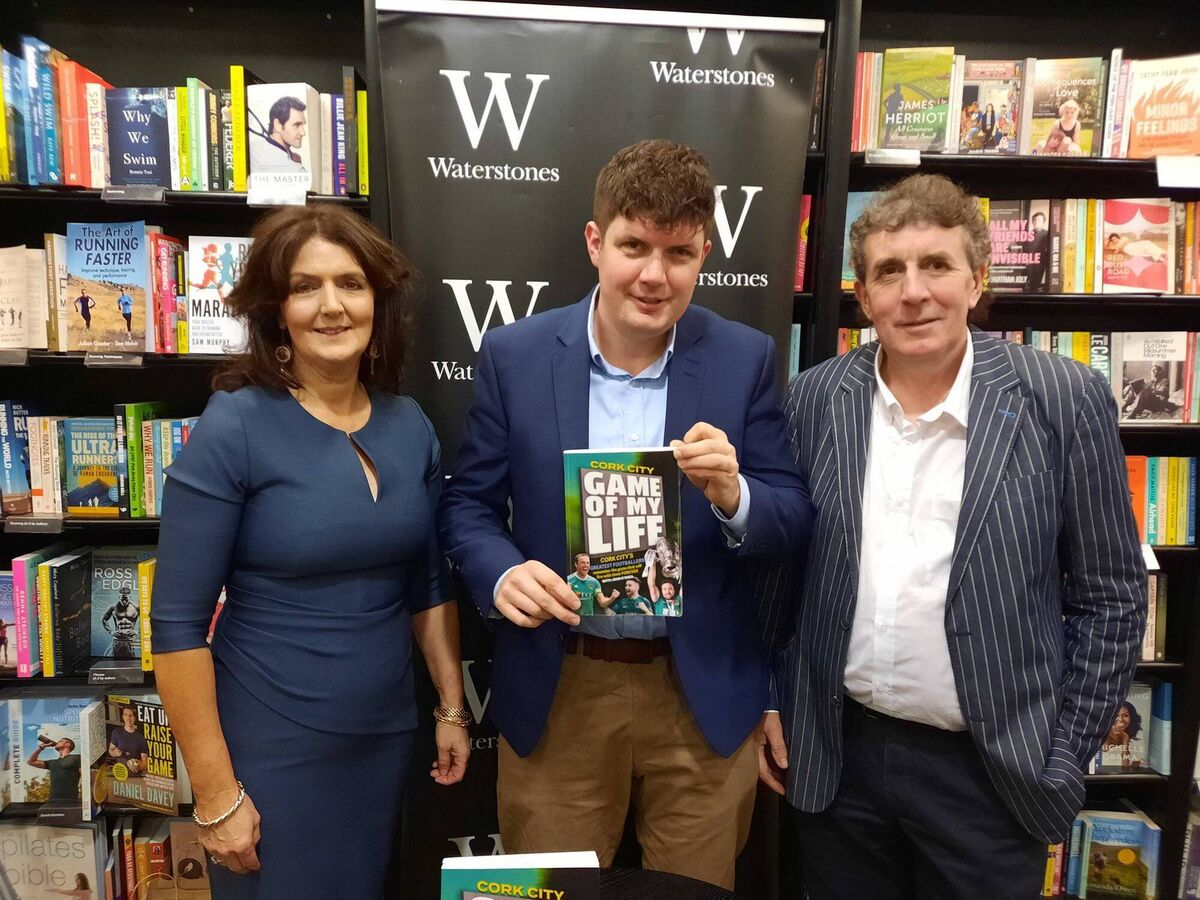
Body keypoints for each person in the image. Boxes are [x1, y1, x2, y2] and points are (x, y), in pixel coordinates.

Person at [438, 139, 813, 890]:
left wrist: (736, 496)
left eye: (678, 252)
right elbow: (465, 505)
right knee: (544, 890)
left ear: (705, 250)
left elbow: (793, 517)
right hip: (562, 682)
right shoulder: (514, 354)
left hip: (700, 689)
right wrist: (501, 571)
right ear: (594, 241)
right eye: (633, 245)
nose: (654, 274)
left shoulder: (744, 357)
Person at [758, 174, 1145, 899]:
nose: (913, 292)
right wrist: (774, 703)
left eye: (935, 265)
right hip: (841, 766)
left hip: (991, 776)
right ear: (863, 296)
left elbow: (1113, 596)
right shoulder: (813, 399)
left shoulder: (1062, 398)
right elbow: (783, 575)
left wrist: (1063, 758)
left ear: (976, 281)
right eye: (889, 272)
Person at [150, 203, 470, 898]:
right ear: (276, 310)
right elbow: (176, 628)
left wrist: (450, 706)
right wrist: (215, 795)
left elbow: (427, 581)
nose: (332, 305)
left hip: (383, 735)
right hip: (271, 743)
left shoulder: (408, 424)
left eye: (351, 284)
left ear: (376, 302)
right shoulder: (237, 424)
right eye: (306, 286)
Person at [249, 96, 307, 174]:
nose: (303, 132)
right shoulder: (297, 171)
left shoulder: (252, 146)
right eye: (297, 125)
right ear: (278, 125)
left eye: (303, 125)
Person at [107, 705, 150, 774]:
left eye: (131, 715)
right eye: (126, 715)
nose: (128, 718)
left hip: (135, 774)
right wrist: (115, 753)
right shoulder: (116, 732)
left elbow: (145, 762)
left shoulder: (141, 738)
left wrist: (138, 767)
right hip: (120, 772)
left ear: (134, 718)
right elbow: (110, 750)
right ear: (123, 717)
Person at [101, 588, 140, 658]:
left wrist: (137, 632)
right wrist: (111, 632)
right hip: (117, 640)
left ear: (130, 597)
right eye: (122, 599)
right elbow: (104, 619)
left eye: (126, 599)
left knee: (132, 662)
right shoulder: (113, 607)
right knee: (114, 661)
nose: (124, 601)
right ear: (119, 597)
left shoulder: (136, 607)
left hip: (131, 640)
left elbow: (146, 619)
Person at [1021, 210, 1049, 292]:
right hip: (1029, 261)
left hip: (1041, 261)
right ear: (1033, 222)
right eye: (1035, 220)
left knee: (1038, 282)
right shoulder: (1028, 234)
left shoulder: (1047, 234)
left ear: (1043, 222)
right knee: (1028, 283)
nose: (1037, 222)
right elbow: (1024, 248)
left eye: (1039, 220)